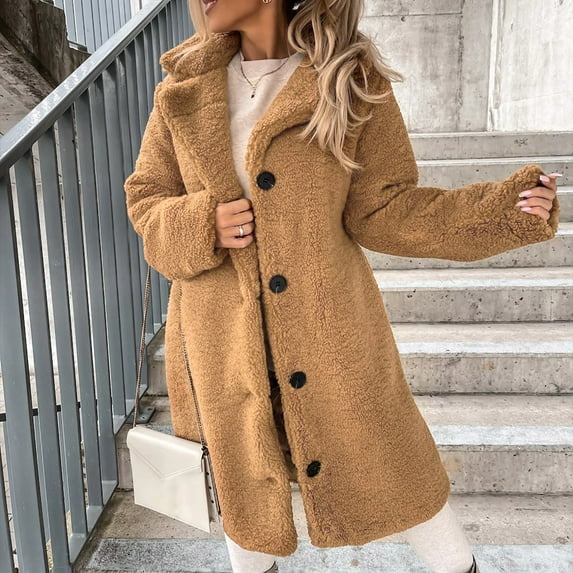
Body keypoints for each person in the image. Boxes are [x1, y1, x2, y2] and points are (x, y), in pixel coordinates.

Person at [124, 1, 560, 572]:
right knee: (243, 488)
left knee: (397, 467)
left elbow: (385, 209)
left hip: (327, 328)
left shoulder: (349, 80)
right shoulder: (184, 87)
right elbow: (147, 198)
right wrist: (202, 223)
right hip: (219, 336)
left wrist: (501, 211)